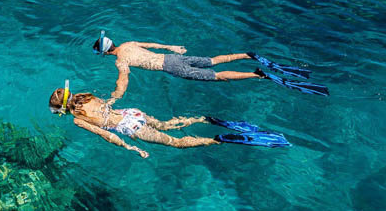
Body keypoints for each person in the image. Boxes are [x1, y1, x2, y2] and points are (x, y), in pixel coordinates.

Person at [48, 82, 290, 159]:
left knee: (176, 143)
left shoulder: (77, 120)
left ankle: (220, 139)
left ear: (61, 109)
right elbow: (108, 105)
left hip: (129, 127)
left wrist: (131, 147)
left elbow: (107, 134)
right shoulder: (84, 96)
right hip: (133, 113)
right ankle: (203, 118)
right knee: (165, 124)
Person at [93, 33, 327, 99]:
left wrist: (114, 98)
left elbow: (123, 80)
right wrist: (173, 47)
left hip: (173, 68)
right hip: (175, 58)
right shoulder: (129, 43)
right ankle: (247, 54)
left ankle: (256, 75)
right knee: (214, 60)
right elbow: (152, 43)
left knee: (217, 76)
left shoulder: (120, 60)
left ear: (106, 53)